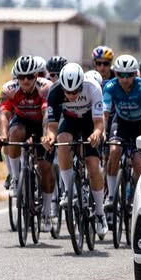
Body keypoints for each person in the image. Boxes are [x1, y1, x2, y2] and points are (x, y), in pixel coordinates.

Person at [42, 63, 108, 239]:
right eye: (68, 92)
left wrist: (96, 134)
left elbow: (99, 122)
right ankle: (68, 189)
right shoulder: (55, 91)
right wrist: (49, 138)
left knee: (93, 165)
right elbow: (52, 126)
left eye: (75, 91)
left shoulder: (93, 88)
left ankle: (100, 213)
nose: (71, 96)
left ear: (81, 84)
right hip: (69, 121)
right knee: (62, 142)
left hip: (89, 122)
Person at [0, 55, 58, 230]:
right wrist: (2, 135)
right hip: (22, 121)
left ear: (36, 75)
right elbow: (4, 115)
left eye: (30, 76)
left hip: (41, 123)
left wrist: (46, 136)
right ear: (16, 77)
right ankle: (16, 179)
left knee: (45, 168)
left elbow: (47, 116)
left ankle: (46, 212)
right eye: (21, 77)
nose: (25, 81)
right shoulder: (9, 89)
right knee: (13, 135)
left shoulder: (45, 88)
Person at [102, 54, 141, 213]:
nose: (125, 79)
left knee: (138, 161)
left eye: (129, 75)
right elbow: (104, 114)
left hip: (138, 125)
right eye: (121, 75)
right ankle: (111, 195)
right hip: (121, 122)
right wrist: (102, 132)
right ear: (115, 73)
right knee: (114, 150)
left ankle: (138, 198)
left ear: (135, 74)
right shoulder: (110, 86)